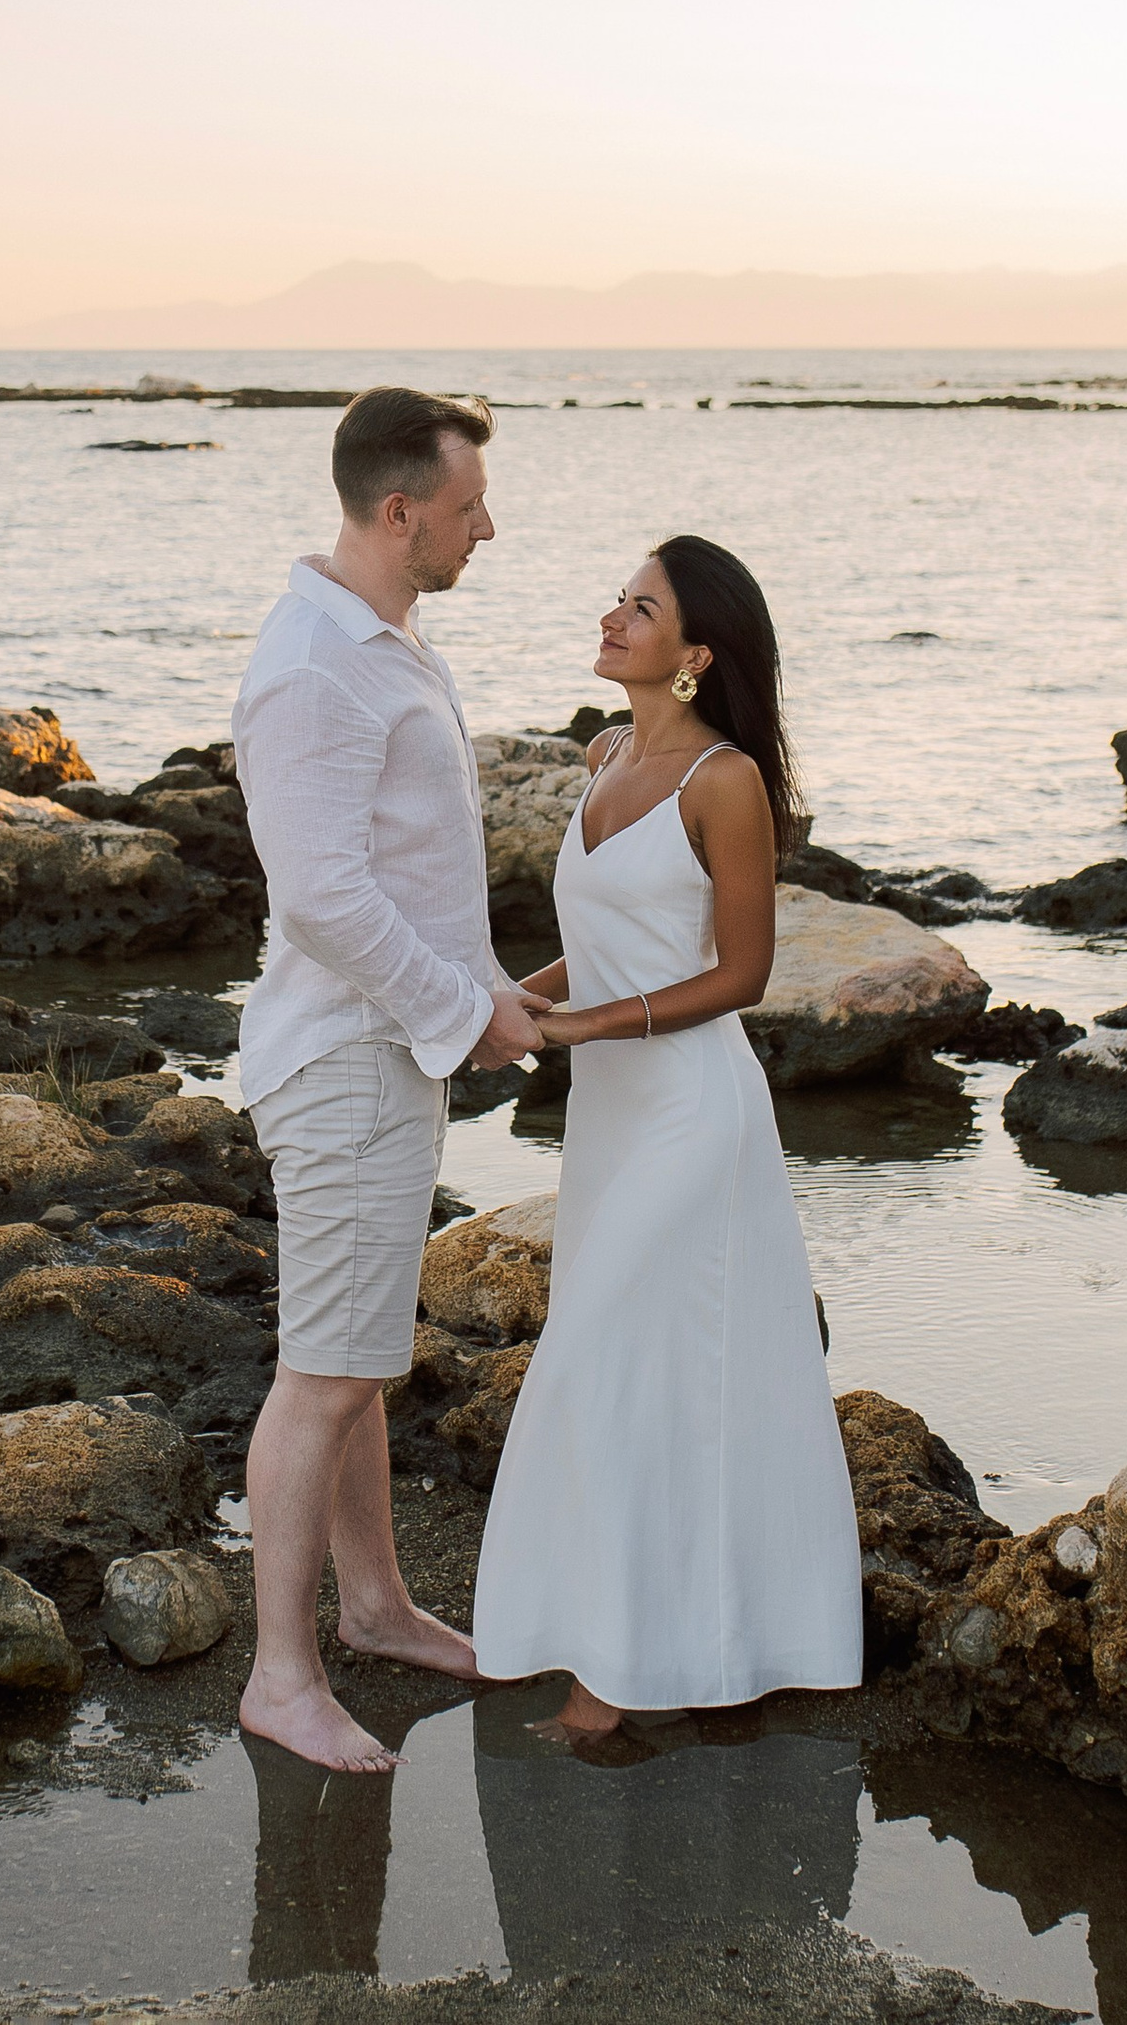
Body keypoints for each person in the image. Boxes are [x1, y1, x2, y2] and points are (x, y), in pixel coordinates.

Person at [471, 534, 863, 1734]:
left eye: (639, 607)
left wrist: (578, 1025)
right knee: (658, 1376)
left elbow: (741, 974)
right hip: (608, 1119)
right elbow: (595, 943)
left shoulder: (724, 782)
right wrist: (504, 1000)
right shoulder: (601, 756)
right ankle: (667, 1633)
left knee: (606, 1358)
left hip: (694, 1113)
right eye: (617, 596)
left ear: (695, 654)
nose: (612, 615)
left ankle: (610, 1682)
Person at [232, 384, 542, 1774]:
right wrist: (454, 1014)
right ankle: (281, 1677)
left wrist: (485, 992)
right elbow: (320, 899)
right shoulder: (315, 664)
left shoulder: (386, 640)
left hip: (383, 1049)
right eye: (470, 506)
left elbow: (408, 865)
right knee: (321, 1375)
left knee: (355, 1361)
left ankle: (376, 1606)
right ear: (400, 509)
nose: (490, 526)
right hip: (350, 1061)